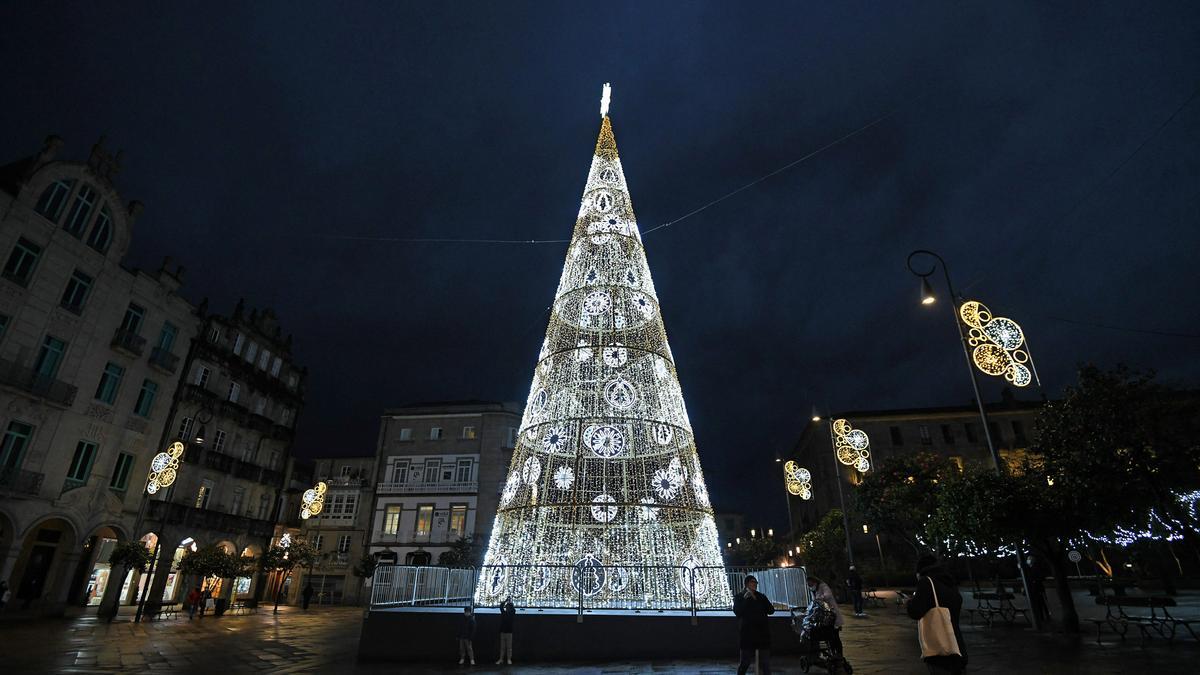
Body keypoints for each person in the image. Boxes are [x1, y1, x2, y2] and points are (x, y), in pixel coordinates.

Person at [906, 554, 967, 675]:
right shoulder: (949, 582)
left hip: (940, 650)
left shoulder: (926, 582)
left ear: (920, 571)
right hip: (957, 645)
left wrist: (908, 602)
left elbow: (915, 611)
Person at [733, 575, 775, 675]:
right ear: (747, 584)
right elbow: (738, 611)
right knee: (745, 662)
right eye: (753, 582)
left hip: (762, 633)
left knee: (765, 663)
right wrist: (745, 599)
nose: (755, 584)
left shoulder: (761, 596)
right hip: (748, 634)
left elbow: (771, 610)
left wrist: (764, 601)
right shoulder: (740, 597)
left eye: (756, 582)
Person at [806, 576, 844, 654]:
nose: (809, 585)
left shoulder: (823, 586)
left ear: (814, 581)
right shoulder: (813, 590)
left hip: (831, 613)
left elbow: (828, 595)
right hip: (823, 616)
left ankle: (839, 654)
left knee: (835, 636)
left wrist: (820, 598)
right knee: (828, 636)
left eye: (810, 583)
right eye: (808, 584)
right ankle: (833, 652)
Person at [496, 597, 515, 665]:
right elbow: (501, 606)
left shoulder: (512, 614)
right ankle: (501, 659)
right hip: (503, 632)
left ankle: (508, 659)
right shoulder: (504, 613)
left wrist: (509, 601)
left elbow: (513, 609)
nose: (506, 609)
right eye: (506, 607)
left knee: (508, 647)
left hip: (508, 632)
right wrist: (505, 600)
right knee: (502, 647)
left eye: (507, 608)